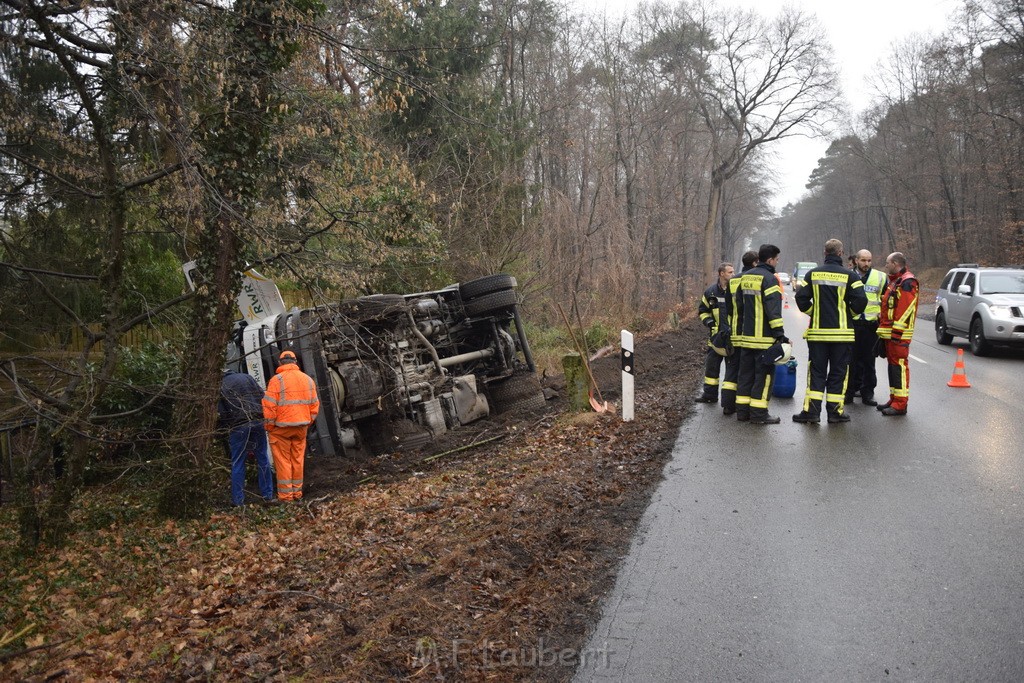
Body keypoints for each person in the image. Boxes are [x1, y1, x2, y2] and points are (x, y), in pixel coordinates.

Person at [792, 239, 868, 424]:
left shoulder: (812, 274)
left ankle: (812, 412)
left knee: (817, 372)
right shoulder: (851, 276)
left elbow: (801, 299)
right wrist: (847, 315)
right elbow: (861, 302)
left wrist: (814, 312)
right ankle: (835, 413)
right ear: (841, 253)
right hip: (842, 335)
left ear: (825, 253)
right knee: (838, 373)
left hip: (818, 334)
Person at [734, 244, 788, 424]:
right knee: (763, 377)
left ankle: (742, 413)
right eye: (777, 259)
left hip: (746, 337)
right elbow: (773, 310)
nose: (777, 263)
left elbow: (739, 306)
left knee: (745, 375)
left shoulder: (746, 277)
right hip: (764, 339)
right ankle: (759, 415)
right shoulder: (770, 279)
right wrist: (780, 335)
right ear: (770, 260)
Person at [262, 350, 320, 501]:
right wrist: (308, 422)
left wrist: (269, 427)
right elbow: (314, 406)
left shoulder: (276, 380)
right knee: (297, 460)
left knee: (283, 462)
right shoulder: (308, 380)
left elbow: (269, 406)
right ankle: (297, 494)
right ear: (295, 362)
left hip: (281, 429)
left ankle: (286, 497)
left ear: (280, 363)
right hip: (301, 427)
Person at [219, 368, 274, 506]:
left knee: (238, 461)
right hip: (257, 421)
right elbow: (262, 396)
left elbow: (223, 413)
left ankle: (238, 501)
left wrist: (226, 427)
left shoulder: (221, 385)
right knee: (262, 457)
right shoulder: (247, 377)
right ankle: (267, 495)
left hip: (239, 426)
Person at [876, 252, 919, 416]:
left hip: (899, 335)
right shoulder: (895, 281)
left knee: (899, 367)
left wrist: (897, 332)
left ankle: (900, 404)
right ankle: (894, 398)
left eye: (887, 262)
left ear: (895, 263)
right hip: (891, 333)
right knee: (893, 367)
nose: (886, 265)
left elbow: (905, 309)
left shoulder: (907, 282)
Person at [845, 249, 887, 406]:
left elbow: (885, 300)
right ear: (856, 260)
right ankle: (848, 393)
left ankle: (867, 393)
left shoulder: (880, 277)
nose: (866, 264)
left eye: (869, 260)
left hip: (871, 325)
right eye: (863, 260)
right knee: (850, 361)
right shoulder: (848, 276)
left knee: (869, 362)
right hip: (853, 324)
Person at [721, 250, 758, 415]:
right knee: (748, 371)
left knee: (732, 369)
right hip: (751, 334)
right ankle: (745, 405)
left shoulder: (733, 281)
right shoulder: (756, 280)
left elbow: (728, 308)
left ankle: (728, 406)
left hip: (735, 332)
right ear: (755, 263)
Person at [695, 262, 736, 404]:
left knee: (732, 371)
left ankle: (728, 402)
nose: (733, 274)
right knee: (711, 369)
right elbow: (703, 311)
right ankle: (709, 396)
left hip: (733, 338)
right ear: (721, 273)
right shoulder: (710, 292)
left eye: (733, 272)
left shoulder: (737, 291)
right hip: (715, 337)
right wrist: (709, 322)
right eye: (730, 272)